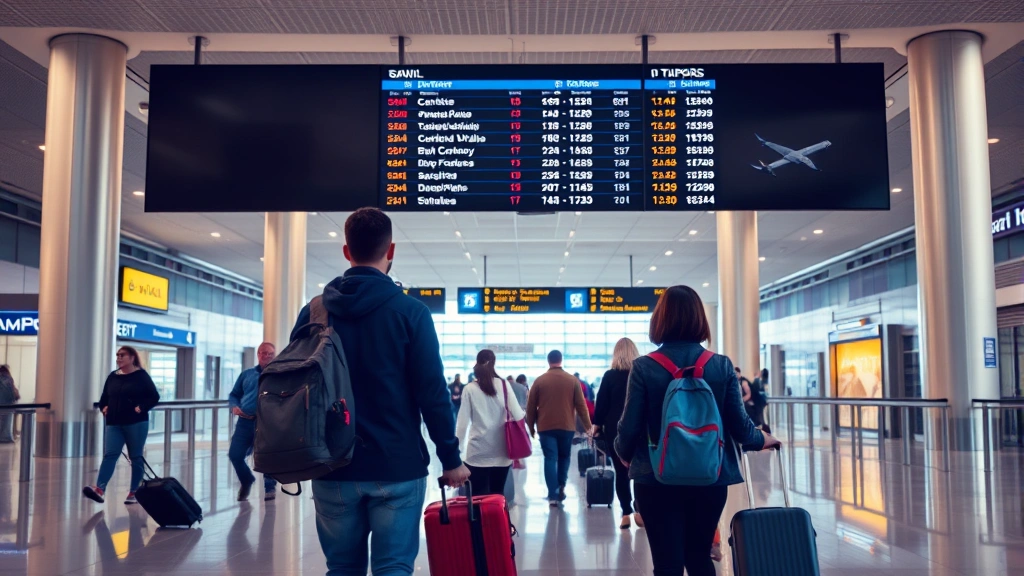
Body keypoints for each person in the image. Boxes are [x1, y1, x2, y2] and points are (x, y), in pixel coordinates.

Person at [288, 207, 469, 576]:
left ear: (346, 251)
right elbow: (432, 393)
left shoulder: (315, 312)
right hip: (396, 465)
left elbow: (293, 381)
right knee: (393, 568)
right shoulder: (411, 312)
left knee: (341, 568)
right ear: (391, 251)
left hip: (331, 463)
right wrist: (450, 459)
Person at [615, 285, 780, 576]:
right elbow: (741, 428)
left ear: (659, 320)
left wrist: (626, 456)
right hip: (709, 476)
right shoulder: (720, 365)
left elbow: (628, 429)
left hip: (655, 479)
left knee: (667, 563)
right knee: (700, 557)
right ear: (699, 319)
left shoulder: (643, 367)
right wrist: (763, 438)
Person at [83, 346, 161, 505]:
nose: (118, 358)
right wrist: (103, 407)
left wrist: (141, 407)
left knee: (135, 456)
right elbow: (104, 397)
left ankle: (134, 491)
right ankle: (99, 489)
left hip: (136, 423)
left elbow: (154, 396)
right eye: (117, 355)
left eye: (122, 355)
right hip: (114, 423)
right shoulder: (113, 376)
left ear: (132, 358)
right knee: (110, 454)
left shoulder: (141, 376)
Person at [525, 349, 592, 507]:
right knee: (564, 457)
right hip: (567, 426)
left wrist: (531, 427)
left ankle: (553, 495)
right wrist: (588, 427)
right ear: (561, 360)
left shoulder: (539, 381)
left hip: (545, 426)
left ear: (548, 361)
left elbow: (530, 407)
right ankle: (561, 485)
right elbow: (581, 406)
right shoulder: (572, 380)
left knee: (550, 458)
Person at [455, 349, 525, 496]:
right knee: (497, 496)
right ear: (494, 363)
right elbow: (518, 415)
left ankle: (479, 520)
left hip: (477, 453)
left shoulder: (469, 389)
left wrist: (457, 450)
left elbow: (462, 424)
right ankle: (496, 520)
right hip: (502, 452)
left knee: (477, 498)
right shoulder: (505, 385)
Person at [592, 337, 643, 530]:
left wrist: (596, 426)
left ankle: (625, 513)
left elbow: (602, 404)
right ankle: (640, 509)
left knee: (621, 472)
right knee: (639, 471)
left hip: (615, 430)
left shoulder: (609, 376)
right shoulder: (641, 373)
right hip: (639, 428)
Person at [228, 342, 279, 502]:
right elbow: (234, 394)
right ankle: (246, 480)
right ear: (258, 354)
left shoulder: (279, 376)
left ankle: (270, 487)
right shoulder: (247, 374)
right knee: (235, 455)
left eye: (270, 354)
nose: (267, 356)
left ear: (274, 355)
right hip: (245, 422)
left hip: (267, 424)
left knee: (268, 456)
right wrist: (234, 406)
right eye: (264, 353)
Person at [0, 365, 20, 443]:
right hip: (8, 405)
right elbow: (14, 394)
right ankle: (5, 437)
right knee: (7, 422)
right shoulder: (8, 379)